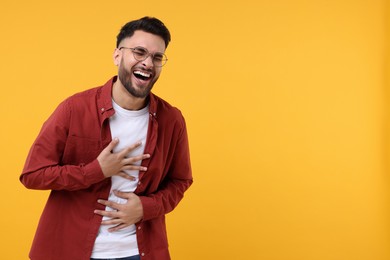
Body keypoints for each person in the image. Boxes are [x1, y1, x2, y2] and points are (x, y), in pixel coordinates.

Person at [20, 16, 193, 260]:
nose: (148, 63)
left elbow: (180, 180)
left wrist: (145, 208)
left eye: (157, 57)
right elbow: (32, 174)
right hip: (71, 250)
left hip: (138, 252)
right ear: (117, 56)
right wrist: (95, 171)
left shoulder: (171, 119)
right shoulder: (74, 109)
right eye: (139, 52)